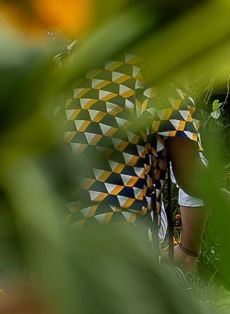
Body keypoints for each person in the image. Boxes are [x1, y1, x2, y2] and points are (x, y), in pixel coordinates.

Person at [65, 57, 207, 266]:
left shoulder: (74, 79)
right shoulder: (158, 83)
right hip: (123, 242)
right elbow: (192, 178)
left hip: (62, 240)